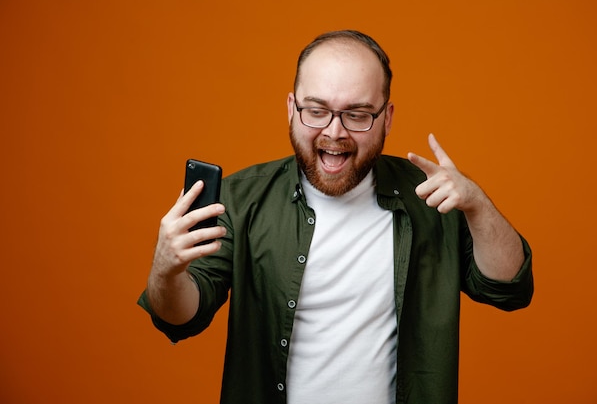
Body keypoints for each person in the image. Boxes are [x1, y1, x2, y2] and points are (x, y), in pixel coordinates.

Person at [138, 30, 533, 404]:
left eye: (357, 115)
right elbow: (180, 318)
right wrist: (166, 270)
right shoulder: (240, 200)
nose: (334, 131)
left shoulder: (430, 196)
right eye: (317, 110)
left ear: (387, 118)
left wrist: (478, 205)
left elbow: (508, 288)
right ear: (291, 109)